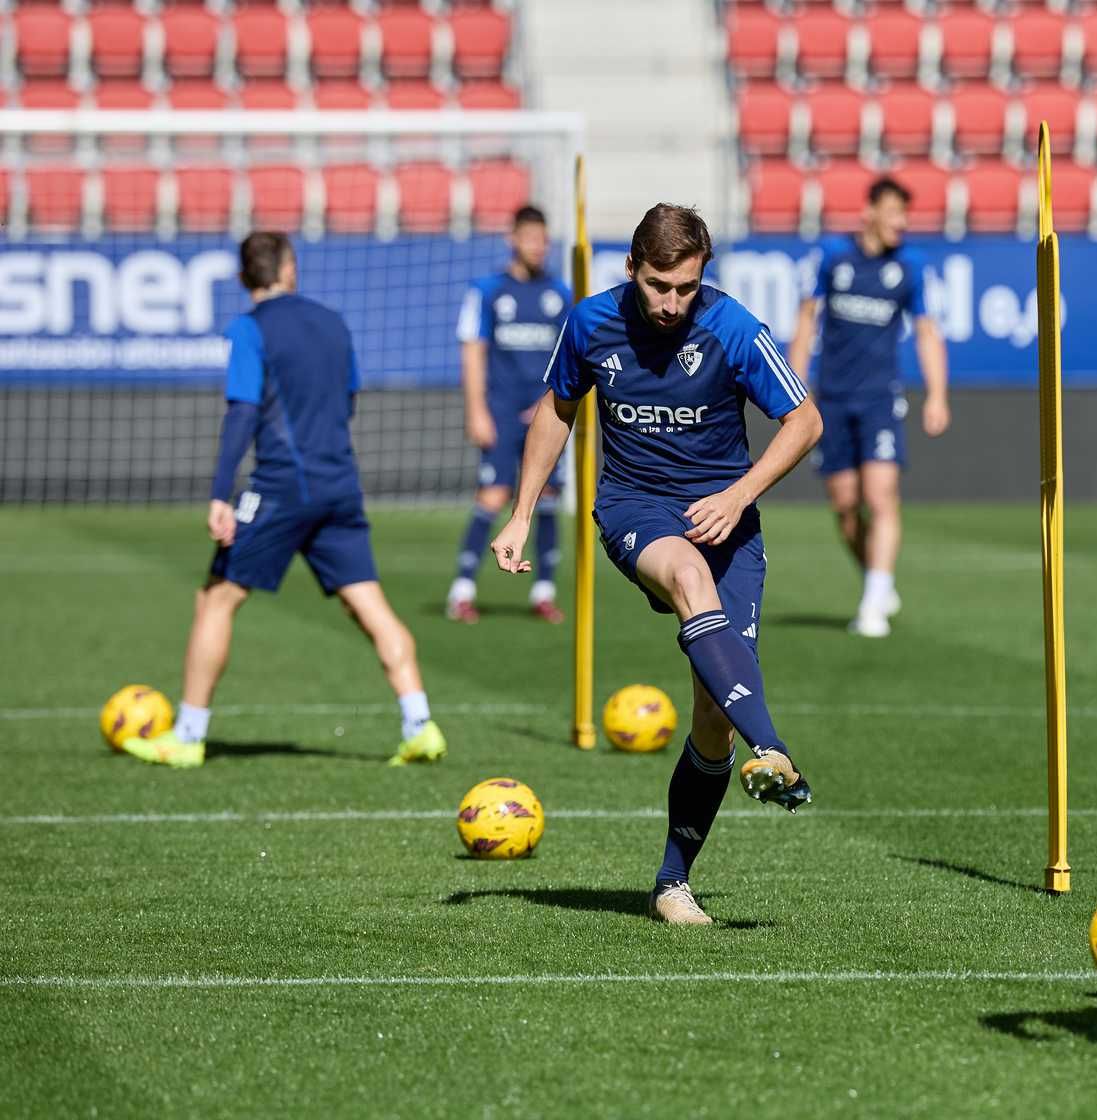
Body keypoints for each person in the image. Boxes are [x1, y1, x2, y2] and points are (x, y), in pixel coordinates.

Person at [489, 204, 822, 925]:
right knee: (688, 578)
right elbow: (557, 409)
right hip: (634, 508)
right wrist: (521, 513)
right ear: (633, 270)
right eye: (658, 286)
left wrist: (738, 496)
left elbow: (805, 421)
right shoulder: (590, 323)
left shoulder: (732, 326)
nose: (671, 303)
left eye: (685, 288)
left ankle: (673, 883)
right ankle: (776, 748)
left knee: (712, 719)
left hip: (728, 519)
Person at [124, 233, 446, 769]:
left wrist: (220, 495)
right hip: (340, 483)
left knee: (217, 598)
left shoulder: (250, 328)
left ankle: (187, 735)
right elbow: (347, 401)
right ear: (290, 269)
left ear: (243, 278)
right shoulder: (334, 323)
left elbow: (242, 412)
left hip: (279, 487)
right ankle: (420, 724)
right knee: (367, 603)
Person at [786, 176, 949, 638]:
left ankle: (874, 601)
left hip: (880, 399)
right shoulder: (834, 258)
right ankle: (877, 579)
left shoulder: (910, 267)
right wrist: (796, 389)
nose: (902, 222)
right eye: (894, 211)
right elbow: (805, 322)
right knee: (845, 507)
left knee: (880, 497)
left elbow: (927, 332)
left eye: (905, 214)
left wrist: (937, 394)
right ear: (870, 213)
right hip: (832, 399)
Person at [445, 205, 573, 624]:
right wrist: (476, 410)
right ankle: (462, 590)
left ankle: (544, 590)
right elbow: (473, 350)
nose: (539, 246)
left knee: (548, 495)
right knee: (494, 495)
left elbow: (570, 356)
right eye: (531, 237)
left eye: (544, 238)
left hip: (545, 411)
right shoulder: (487, 291)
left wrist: (555, 402)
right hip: (499, 410)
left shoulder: (560, 294)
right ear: (513, 239)